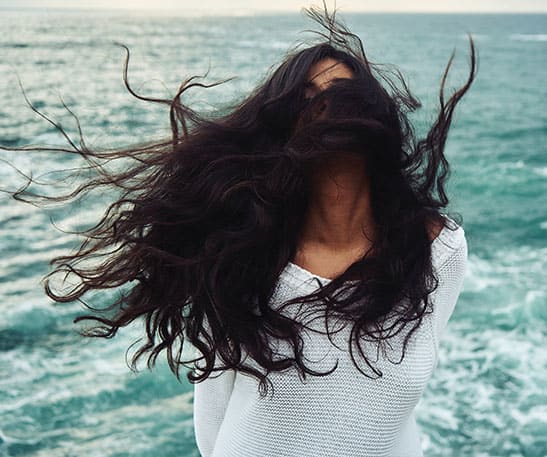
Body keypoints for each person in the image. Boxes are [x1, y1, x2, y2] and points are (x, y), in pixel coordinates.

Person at [2, 4, 476, 457]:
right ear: (280, 128)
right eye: (306, 101)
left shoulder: (439, 251)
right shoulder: (244, 255)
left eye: (341, 97)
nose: (325, 111)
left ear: (375, 115)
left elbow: (393, 407)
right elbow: (212, 425)